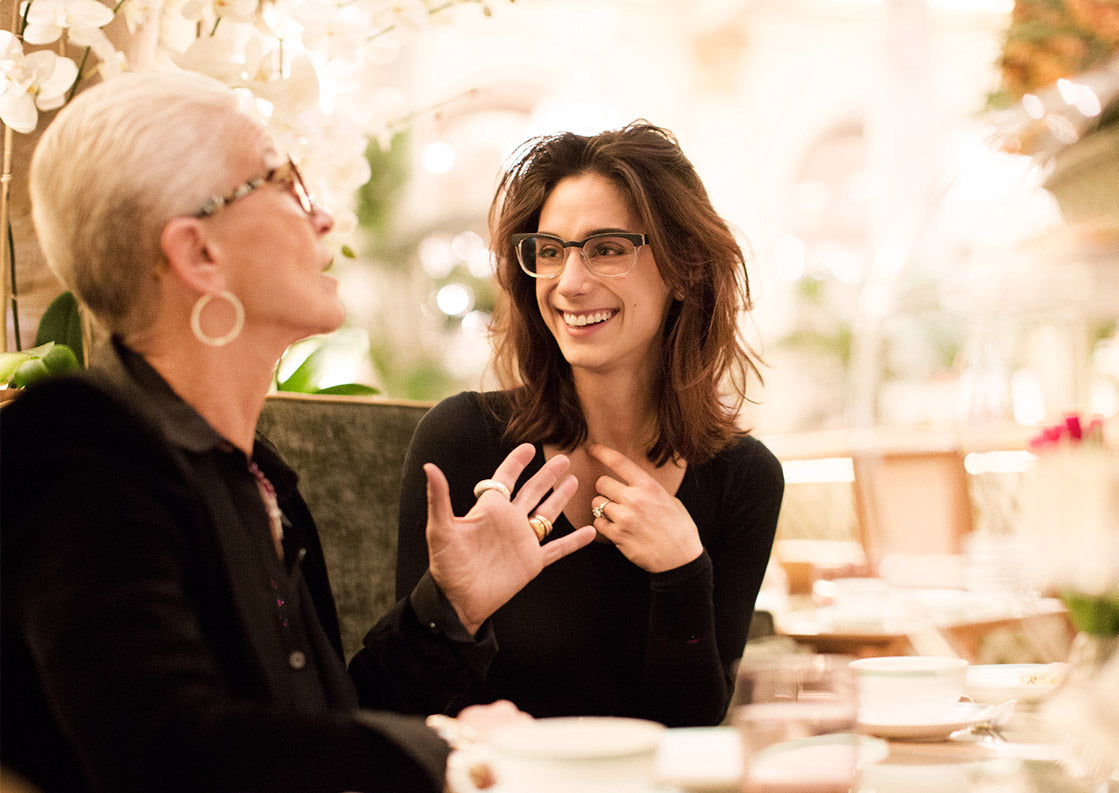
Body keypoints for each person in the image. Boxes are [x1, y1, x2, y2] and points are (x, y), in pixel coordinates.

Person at [0, 69, 595, 793]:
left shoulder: (253, 472)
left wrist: (449, 607)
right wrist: (455, 747)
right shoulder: (78, 451)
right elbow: (169, 750)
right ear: (198, 254)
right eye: (285, 183)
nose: (324, 218)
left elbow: (315, 730)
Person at [372, 122, 784, 727]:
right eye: (550, 250)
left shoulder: (744, 478)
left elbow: (692, 728)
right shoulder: (464, 440)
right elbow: (385, 712)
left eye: (607, 248)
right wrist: (450, 609)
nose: (568, 282)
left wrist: (683, 572)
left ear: (685, 268)